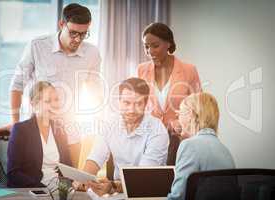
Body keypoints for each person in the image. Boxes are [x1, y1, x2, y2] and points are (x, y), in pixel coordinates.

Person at [0, 3, 101, 167]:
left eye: (83, 34)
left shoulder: (92, 53)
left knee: (69, 183)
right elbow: (17, 85)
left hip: (71, 131)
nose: (77, 39)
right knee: (33, 180)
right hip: (39, 127)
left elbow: (96, 92)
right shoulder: (38, 46)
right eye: (73, 33)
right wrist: (16, 123)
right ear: (61, 24)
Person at [74, 78, 169, 196]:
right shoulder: (109, 123)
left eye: (138, 103)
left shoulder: (157, 129)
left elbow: (143, 176)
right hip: (119, 190)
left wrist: (113, 186)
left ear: (146, 104)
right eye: (126, 103)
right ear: (119, 102)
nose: (131, 110)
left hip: (148, 192)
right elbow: (95, 157)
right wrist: (83, 180)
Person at [138, 22, 202, 165]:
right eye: (146, 46)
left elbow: (198, 107)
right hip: (151, 138)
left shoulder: (188, 70)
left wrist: (181, 123)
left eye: (155, 46)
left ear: (168, 43)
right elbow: (139, 105)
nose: (150, 51)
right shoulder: (141, 70)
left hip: (179, 139)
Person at [167, 92, 235, 200]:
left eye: (180, 113)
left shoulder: (189, 145)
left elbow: (178, 197)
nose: (178, 119)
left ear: (190, 115)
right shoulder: (224, 150)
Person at [7, 81, 72, 188]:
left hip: (59, 191)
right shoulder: (20, 130)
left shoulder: (59, 129)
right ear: (34, 104)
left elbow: (68, 168)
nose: (54, 105)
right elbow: (13, 174)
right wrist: (42, 189)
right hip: (33, 190)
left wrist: (71, 184)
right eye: (48, 101)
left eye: (56, 100)